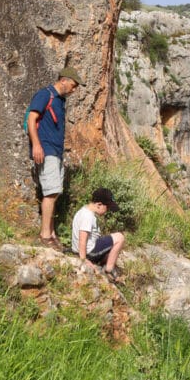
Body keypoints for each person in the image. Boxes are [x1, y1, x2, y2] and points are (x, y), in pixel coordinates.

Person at [26, 66, 80, 249]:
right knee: (50, 192)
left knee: (54, 192)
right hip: (46, 149)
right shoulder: (45, 94)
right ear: (63, 80)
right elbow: (31, 119)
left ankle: (52, 233)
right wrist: (37, 145)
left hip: (56, 152)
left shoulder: (60, 101)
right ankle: (45, 235)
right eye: (73, 86)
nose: (74, 90)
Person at [72, 187, 126, 282]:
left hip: (83, 250)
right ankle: (109, 269)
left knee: (111, 249)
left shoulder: (83, 211)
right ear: (99, 204)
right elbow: (82, 238)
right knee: (120, 237)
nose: (108, 210)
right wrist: (83, 259)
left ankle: (104, 264)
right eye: (107, 207)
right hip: (89, 252)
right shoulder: (88, 216)